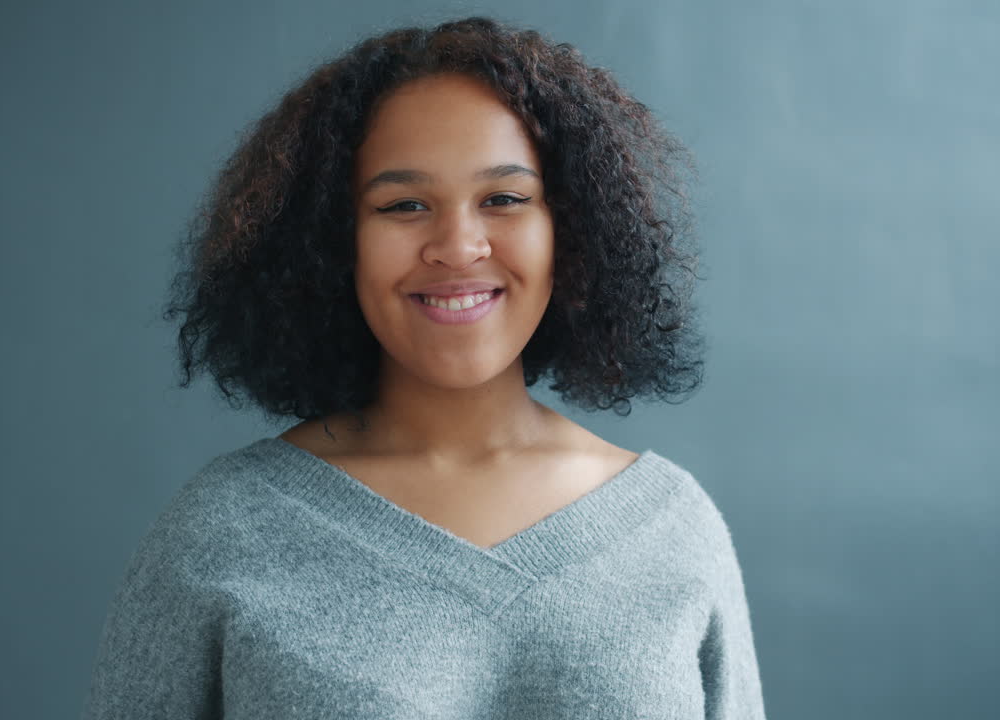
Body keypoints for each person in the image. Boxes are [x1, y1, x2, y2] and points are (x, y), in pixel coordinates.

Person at [82, 16, 765, 719]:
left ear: (574, 228)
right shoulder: (221, 532)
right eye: (404, 205)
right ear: (330, 241)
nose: (458, 246)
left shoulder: (672, 531)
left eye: (503, 199)